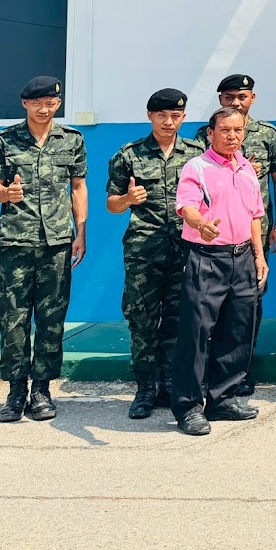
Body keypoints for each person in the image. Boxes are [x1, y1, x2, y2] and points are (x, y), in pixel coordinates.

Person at [0, 75, 87, 425]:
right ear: (25, 103)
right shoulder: (3, 140)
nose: (45, 109)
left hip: (57, 242)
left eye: (51, 103)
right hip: (15, 241)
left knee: (51, 320)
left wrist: (81, 231)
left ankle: (42, 389)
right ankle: (16, 390)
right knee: (13, 319)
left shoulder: (72, 140)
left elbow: (78, 186)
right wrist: (6, 194)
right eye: (38, 103)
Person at [106, 87, 203, 419]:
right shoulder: (129, 155)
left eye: (175, 116)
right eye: (161, 115)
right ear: (150, 116)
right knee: (142, 320)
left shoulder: (197, 154)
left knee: (178, 319)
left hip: (184, 249)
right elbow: (111, 204)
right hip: (144, 251)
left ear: (183, 117)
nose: (168, 122)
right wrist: (128, 199)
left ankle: (171, 385)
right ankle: (145, 389)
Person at [171, 106, 268, 436]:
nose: (232, 136)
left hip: (242, 258)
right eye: (224, 130)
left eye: (238, 130)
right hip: (206, 257)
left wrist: (259, 257)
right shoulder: (197, 167)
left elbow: (255, 215)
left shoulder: (246, 168)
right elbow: (186, 206)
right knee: (196, 332)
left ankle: (223, 399)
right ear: (210, 133)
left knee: (237, 329)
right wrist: (200, 223)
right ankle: (188, 407)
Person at [196, 74, 276, 396]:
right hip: (214, 236)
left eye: (242, 96)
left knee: (248, 304)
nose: (236, 102)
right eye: (229, 97)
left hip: (253, 234)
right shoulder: (205, 133)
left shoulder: (267, 134)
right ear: (220, 99)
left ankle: (241, 369)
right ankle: (210, 370)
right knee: (211, 305)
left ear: (253, 98)